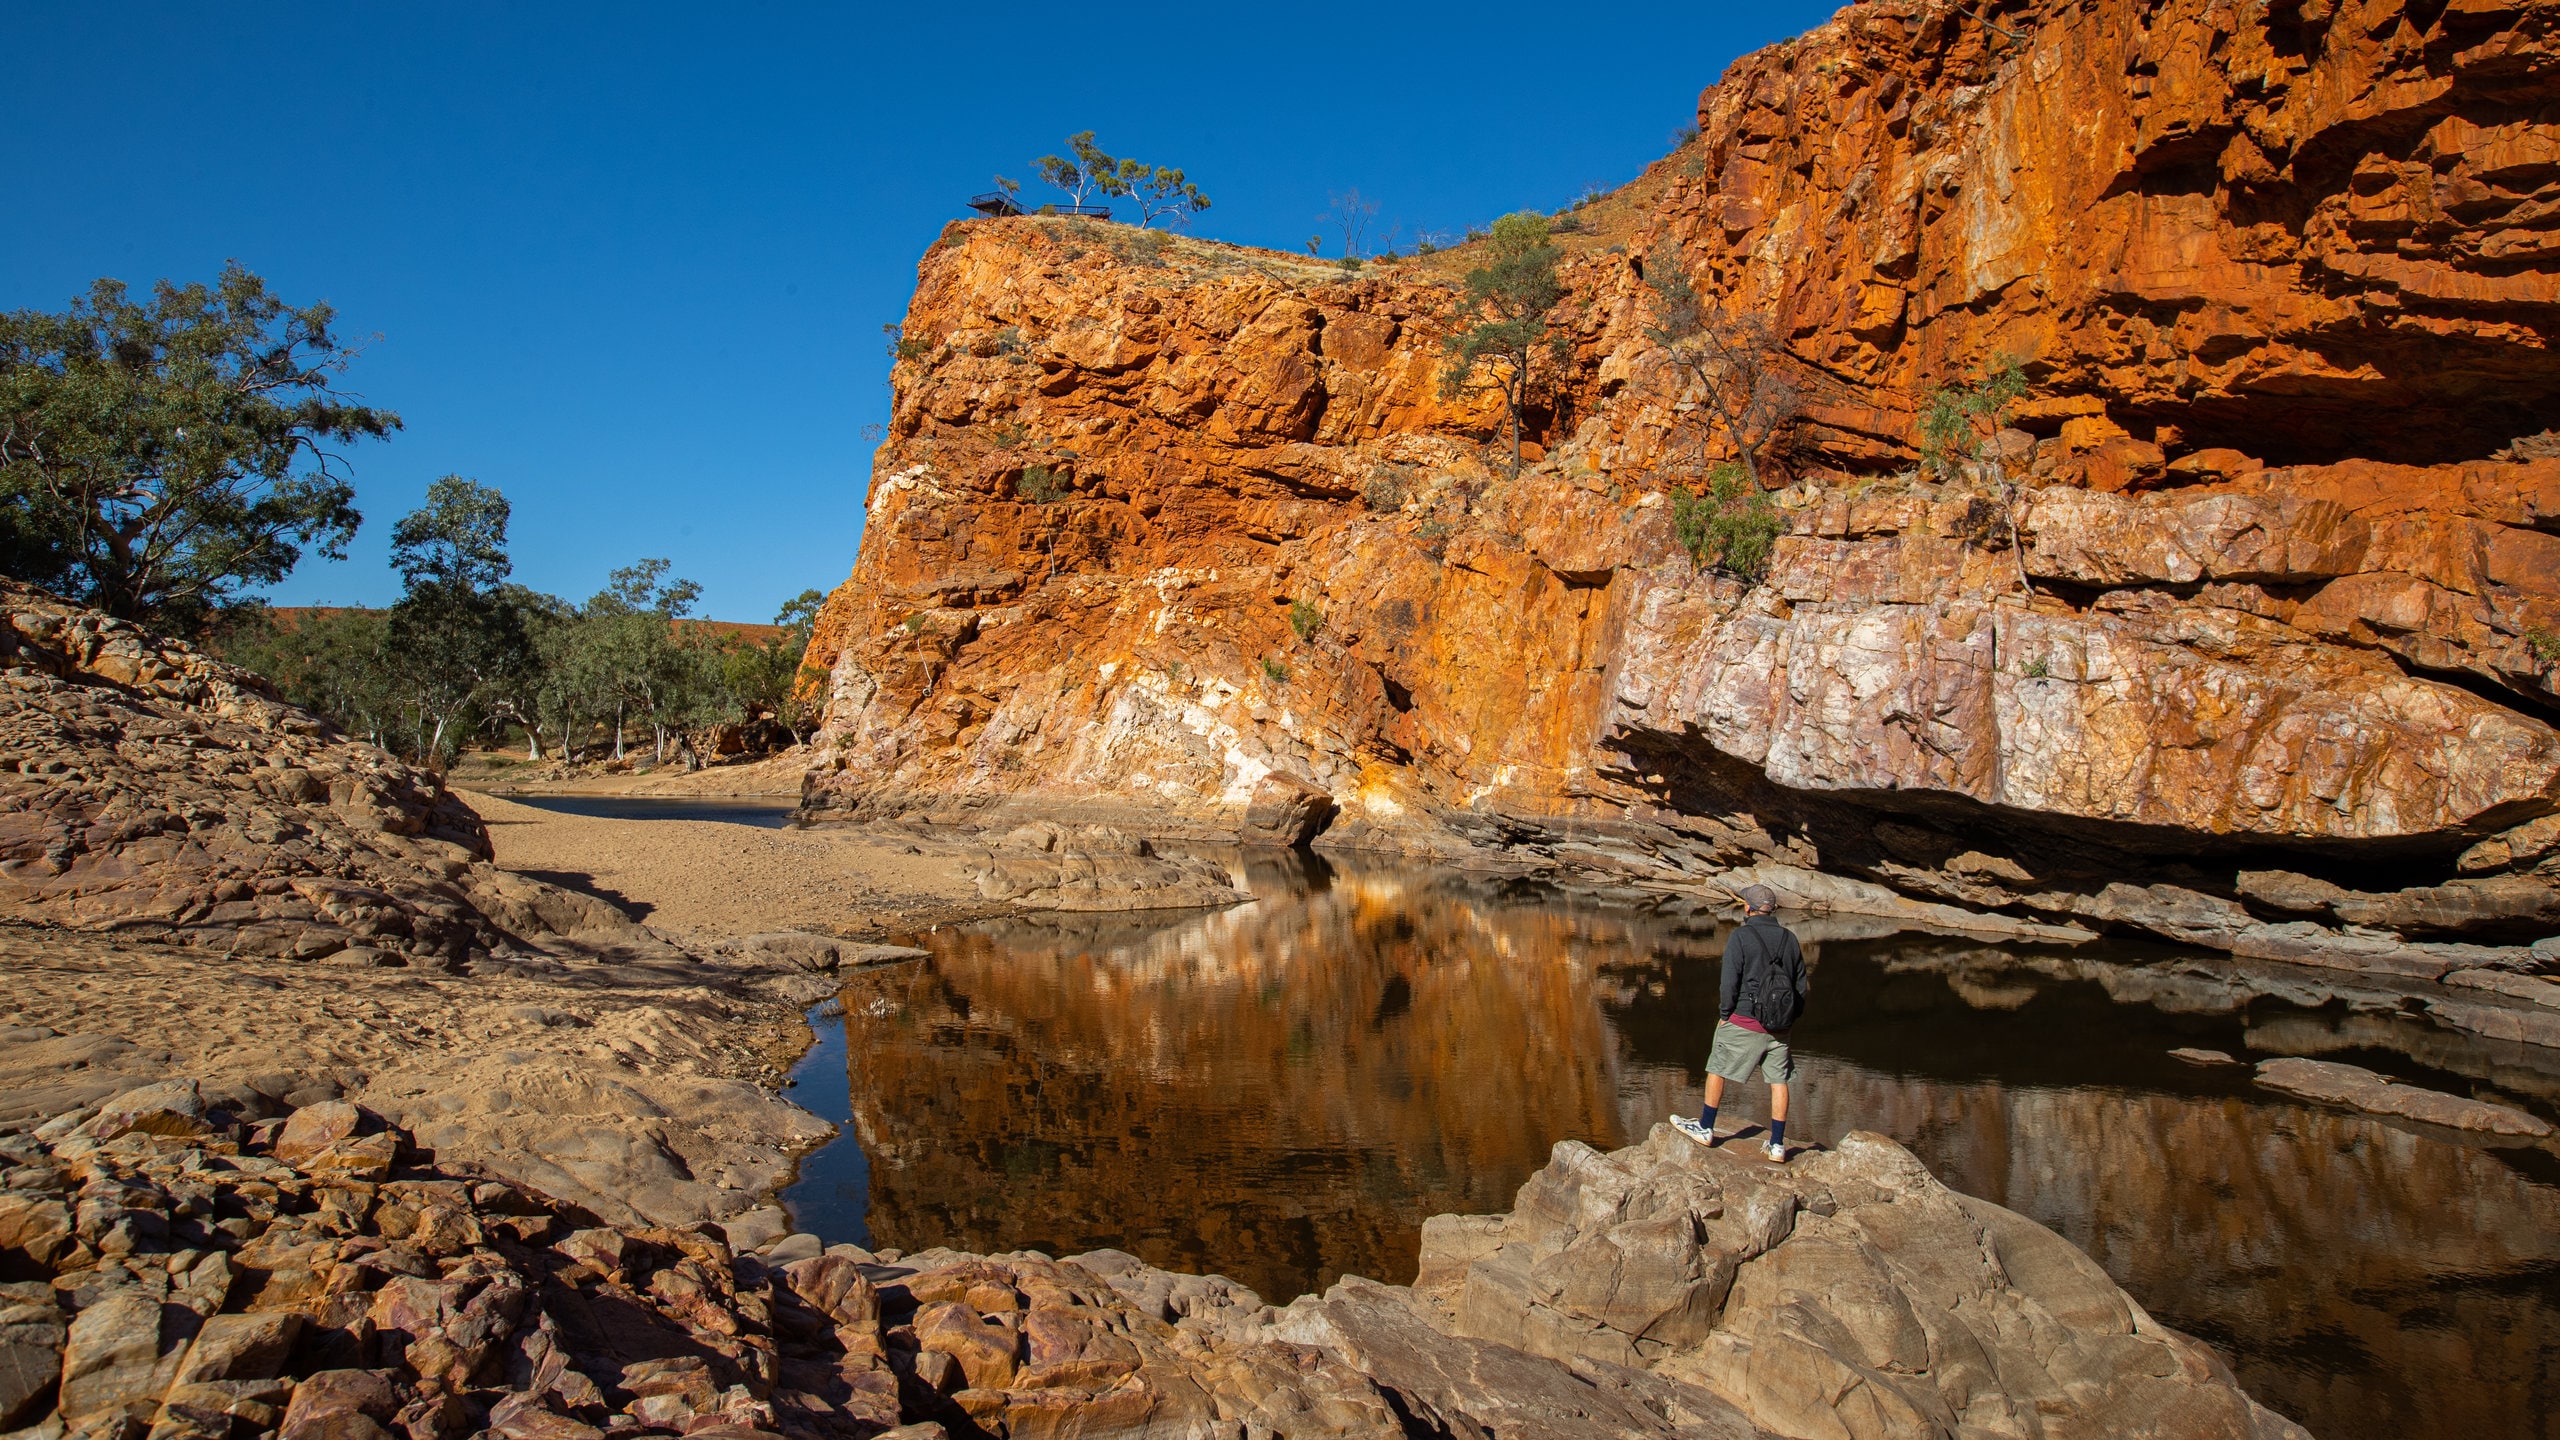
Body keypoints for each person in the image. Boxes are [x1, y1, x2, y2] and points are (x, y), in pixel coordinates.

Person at [1672, 883, 1809, 1162]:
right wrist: (1790, 1020)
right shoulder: (1790, 939)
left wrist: (1725, 1015)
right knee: (1779, 1080)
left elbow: (1729, 983)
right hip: (1780, 1027)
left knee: (1717, 1068)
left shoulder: (1741, 936)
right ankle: (1777, 1145)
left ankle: (1706, 1127)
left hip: (1745, 1019)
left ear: (1748, 908)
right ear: (1773, 910)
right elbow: (1801, 986)